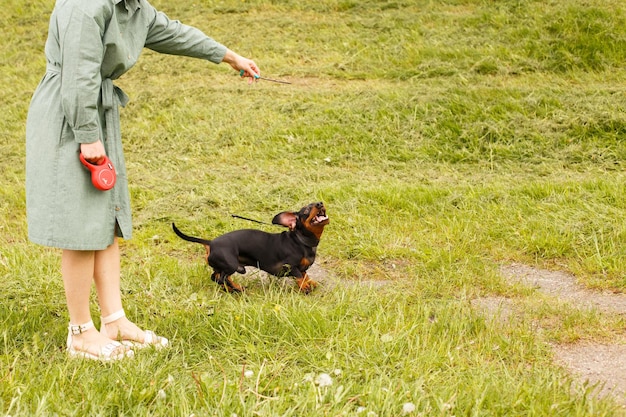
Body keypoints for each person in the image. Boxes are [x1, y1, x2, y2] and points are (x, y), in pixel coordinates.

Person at [25, 0, 261, 361]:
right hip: (71, 117)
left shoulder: (134, 8)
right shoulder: (85, 6)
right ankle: (80, 333)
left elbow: (173, 32)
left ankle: (114, 321)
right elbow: (78, 75)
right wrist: (88, 135)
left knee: (105, 223)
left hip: (94, 113)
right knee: (79, 227)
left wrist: (229, 57)